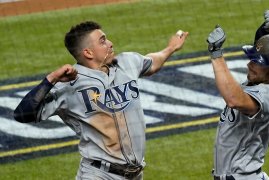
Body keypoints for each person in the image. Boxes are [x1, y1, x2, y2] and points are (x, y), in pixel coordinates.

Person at [14, 21, 188, 180]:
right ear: (88, 52)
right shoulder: (68, 85)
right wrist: (51, 79)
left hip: (135, 175)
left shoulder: (127, 62)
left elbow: (152, 63)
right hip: (98, 175)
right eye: (103, 41)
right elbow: (23, 114)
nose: (110, 43)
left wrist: (170, 48)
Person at [206, 10, 269, 180]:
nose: (249, 64)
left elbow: (233, 99)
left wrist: (216, 54)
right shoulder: (267, 79)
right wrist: (266, 32)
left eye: (257, 62)